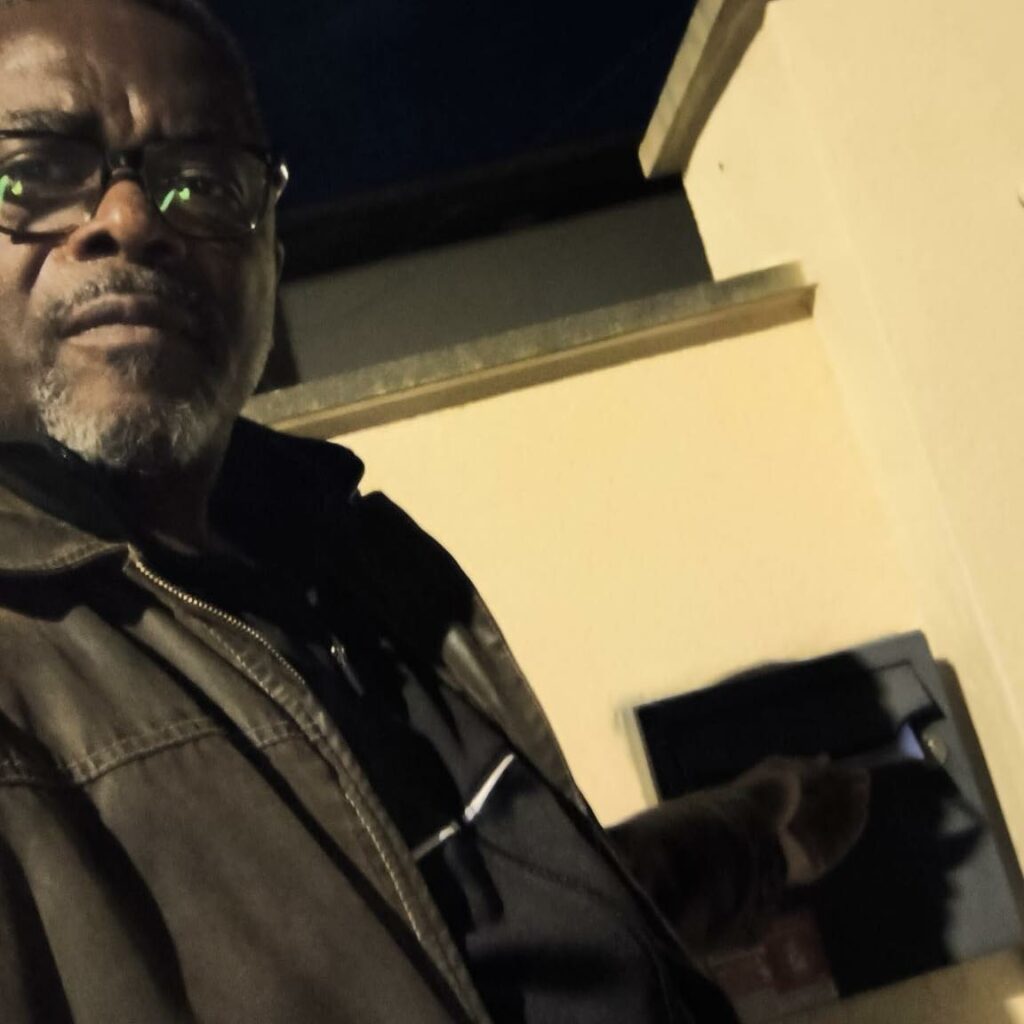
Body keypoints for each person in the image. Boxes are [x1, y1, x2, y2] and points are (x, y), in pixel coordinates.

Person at [0, 1, 869, 1021]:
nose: (133, 218)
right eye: (33, 173)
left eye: (205, 182)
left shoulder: (362, 567)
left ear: (272, 258)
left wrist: (754, 838)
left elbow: (483, 929)